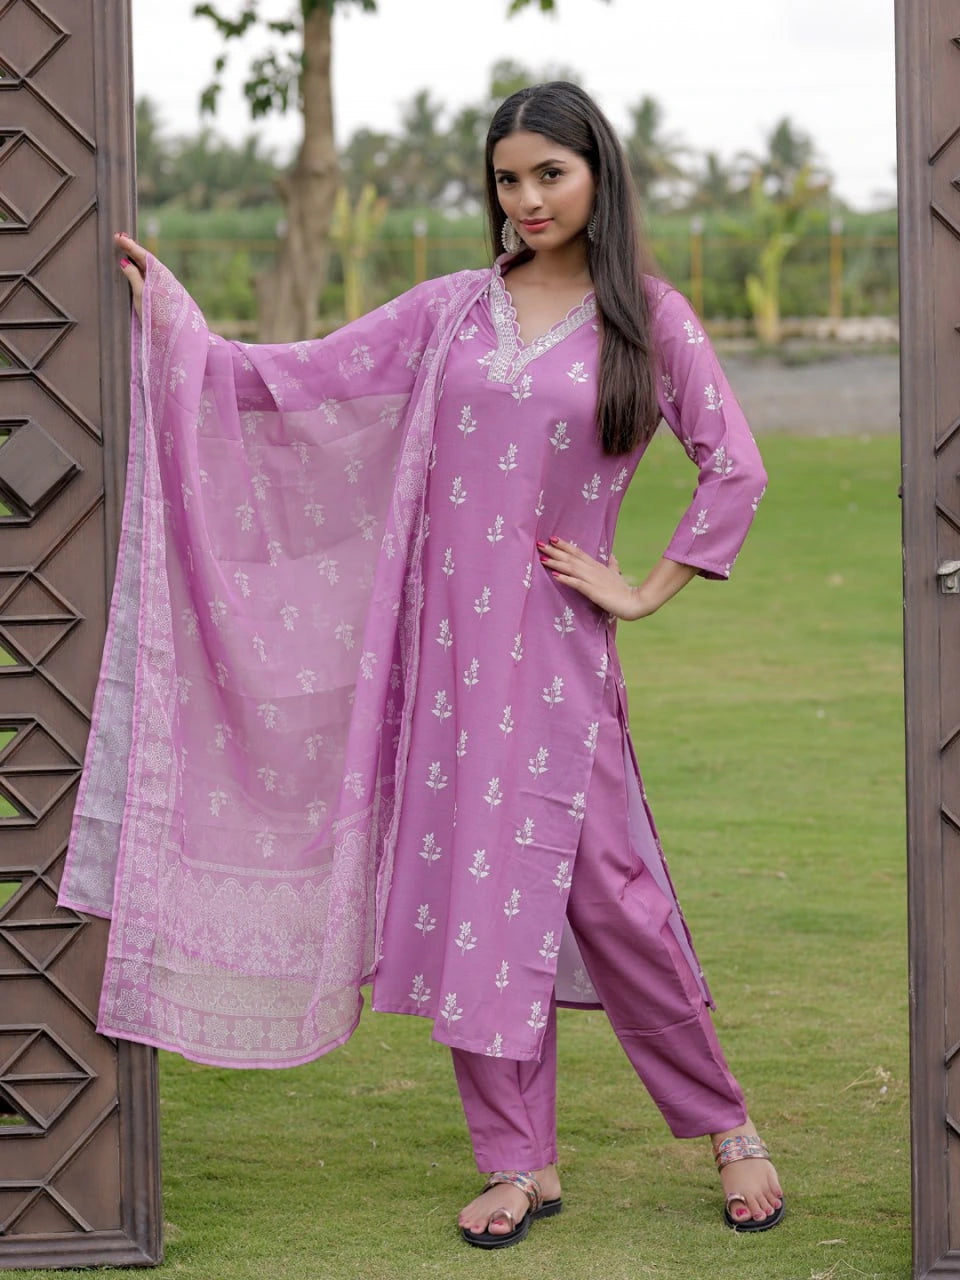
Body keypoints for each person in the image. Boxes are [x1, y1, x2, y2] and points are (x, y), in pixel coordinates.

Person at [67, 81, 782, 1249]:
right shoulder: (453, 311)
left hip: (560, 668)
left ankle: (727, 1123)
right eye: (508, 178)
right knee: (477, 910)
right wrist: (176, 325)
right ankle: (518, 1162)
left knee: (618, 902)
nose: (529, 197)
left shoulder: (648, 318)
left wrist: (644, 588)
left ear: (597, 173)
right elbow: (294, 382)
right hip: (444, 671)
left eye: (550, 172)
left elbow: (733, 466)